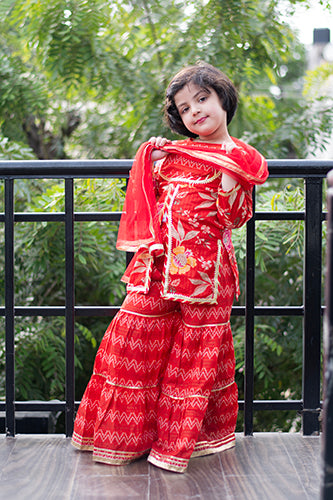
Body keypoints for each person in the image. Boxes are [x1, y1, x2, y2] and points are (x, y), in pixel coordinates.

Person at [71, 62, 268, 473]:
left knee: (193, 360)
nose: (195, 111)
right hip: (157, 269)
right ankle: (124, 440)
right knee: (130, 343)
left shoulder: (240, 158)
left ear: (222, 100)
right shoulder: (169, 158)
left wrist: (230, 178)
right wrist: (153, 156)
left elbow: (234, 218)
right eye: (184, 108)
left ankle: (179, 446)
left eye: (202, 99)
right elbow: (150, 202)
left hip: (206, 276)